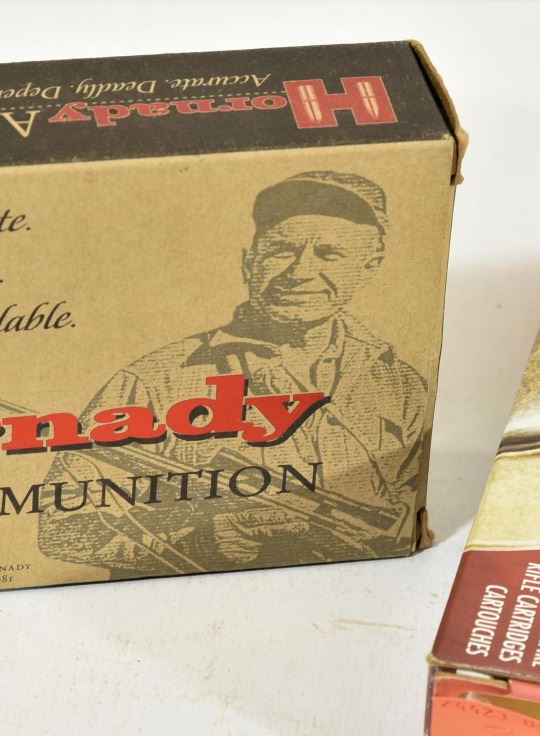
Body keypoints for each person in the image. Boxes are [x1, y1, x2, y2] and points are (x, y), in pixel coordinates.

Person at [37, 170, 430, 574]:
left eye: (329, 254)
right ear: (248, 263)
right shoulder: (155, 381)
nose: (300, 272)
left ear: (368, 266)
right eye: (281, 251)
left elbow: (409, 504)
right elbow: (62, 529)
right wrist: (202, 539)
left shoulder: (399, 384)